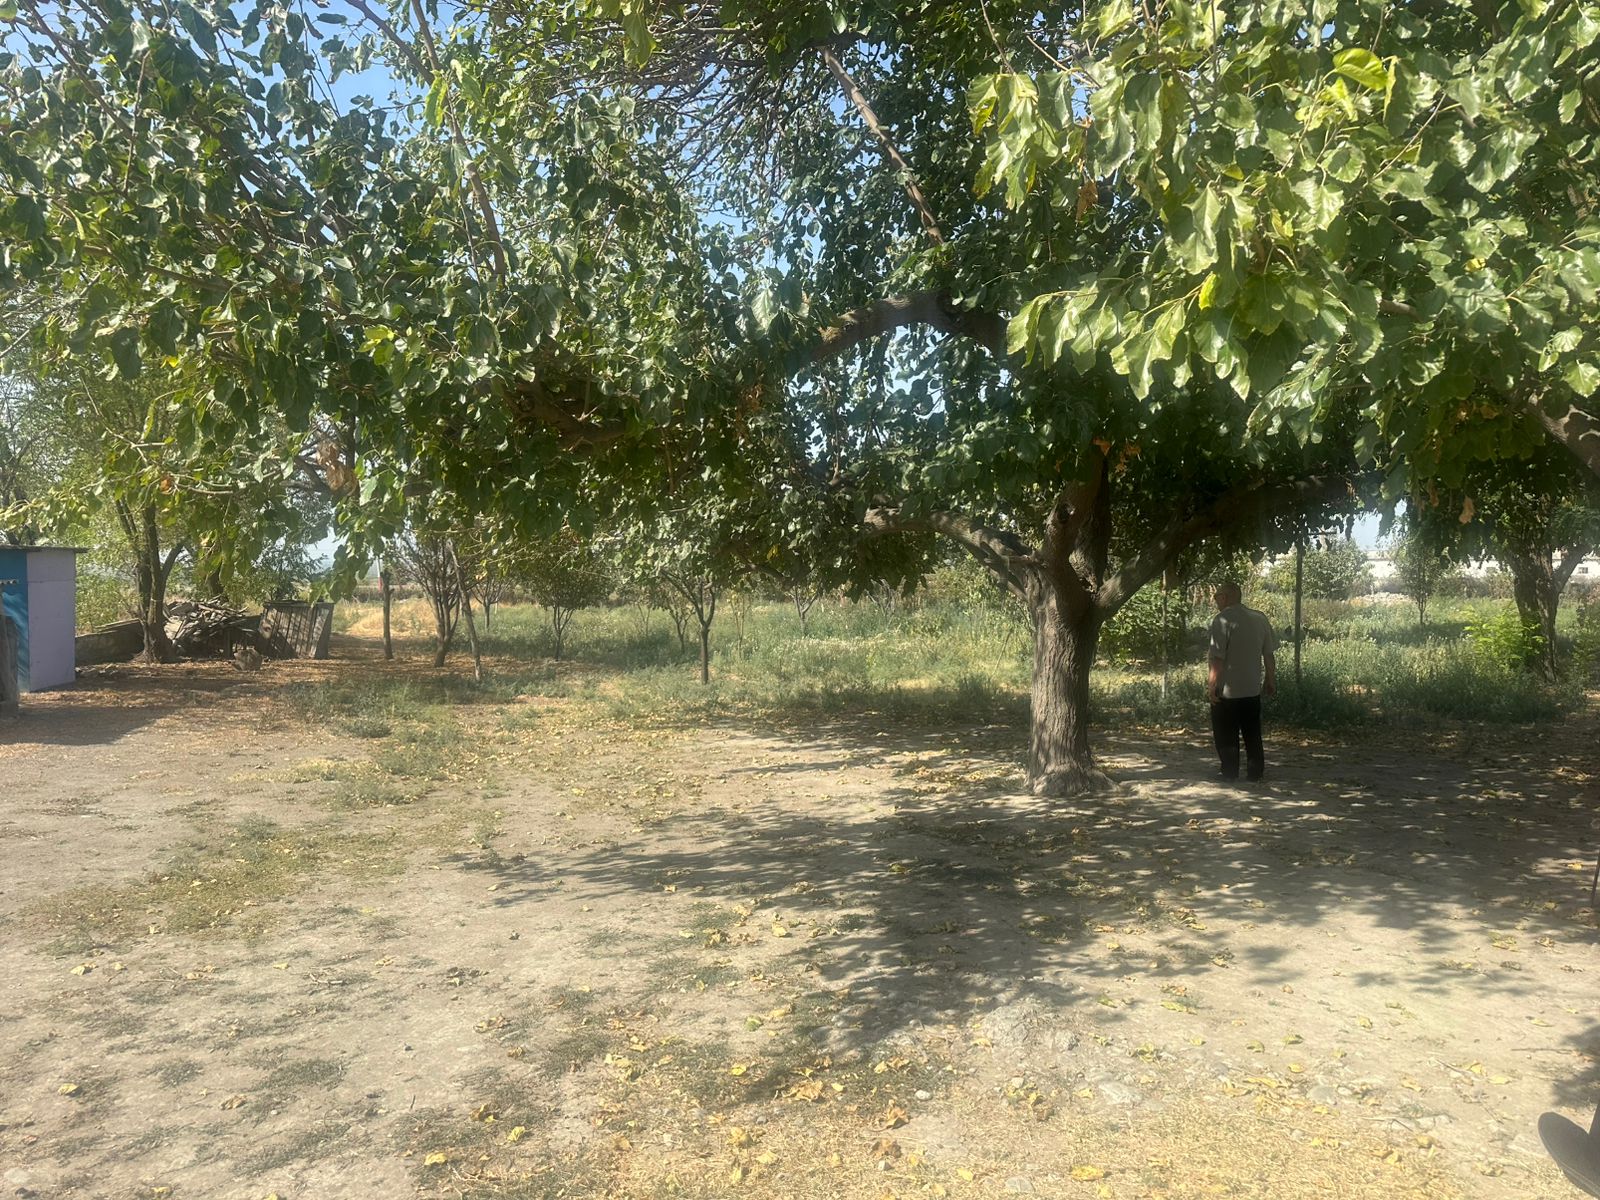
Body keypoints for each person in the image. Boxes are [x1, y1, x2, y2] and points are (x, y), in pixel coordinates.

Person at [1206, 581, 1277, 782]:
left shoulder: (1222, 620)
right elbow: (1268, 654)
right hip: (1252, 687)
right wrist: (1270, 679)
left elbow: (1217, 659)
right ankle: (1255, 772)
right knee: (1252, 731)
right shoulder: (1260, 618)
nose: (1215, 600)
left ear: (1226, 597)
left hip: (1227, 690)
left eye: (1217, 596)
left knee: (1225, 732)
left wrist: (1212, 686)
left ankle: (1229, 771)